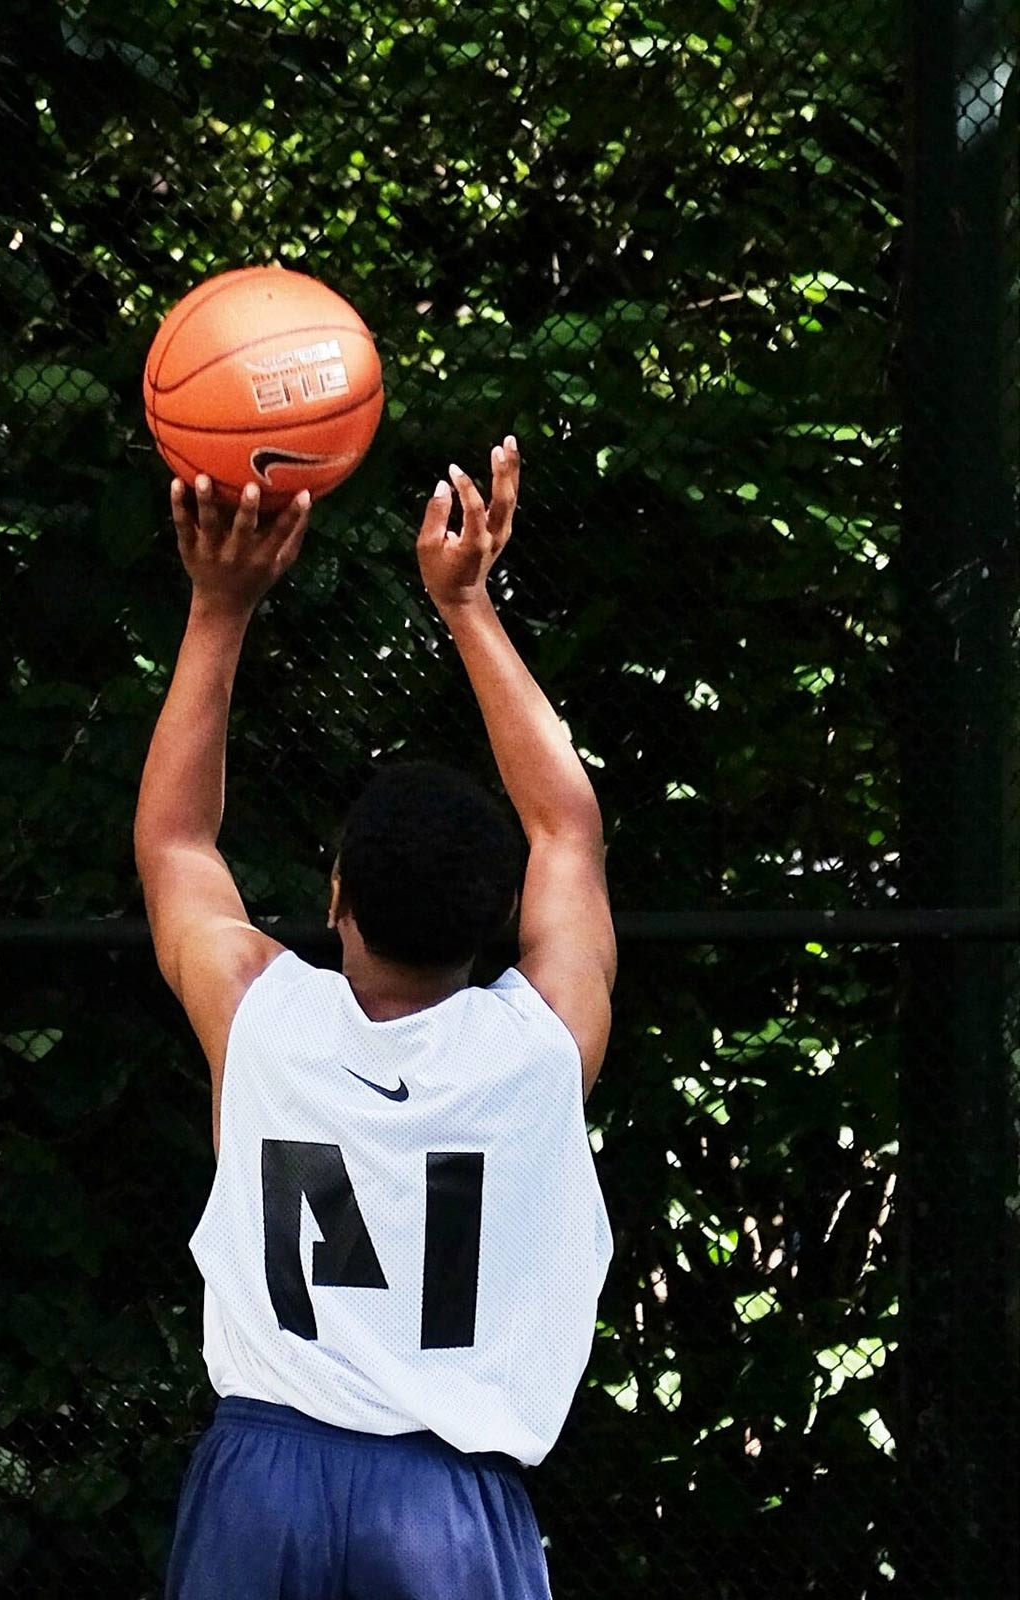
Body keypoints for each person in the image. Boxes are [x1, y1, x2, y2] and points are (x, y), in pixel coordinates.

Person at [135, 439, 614, 1599]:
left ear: (333, 895)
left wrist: (217, 603)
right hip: (443, 1505)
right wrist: (465, 605)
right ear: (498, 918)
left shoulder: (256, 1014)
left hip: (265, 1482)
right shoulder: (539, 1046)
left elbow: (176, 843)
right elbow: (567, 828)